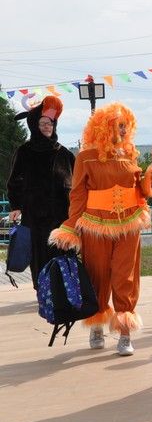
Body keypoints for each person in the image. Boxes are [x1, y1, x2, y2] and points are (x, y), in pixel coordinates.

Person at [49, 102, 152, 356]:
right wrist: (71, 226)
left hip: (129, 225)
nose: (123, 131)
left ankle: (124, 332)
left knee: (126, 277)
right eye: (119, 125)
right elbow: (77, 194)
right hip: (96, 225)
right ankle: (97, 325)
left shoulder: (129, 154)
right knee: (97, 275)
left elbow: (142, 191)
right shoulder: (85, 157)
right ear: (104, 127)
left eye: (126, 126)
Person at [6, 96, 75, 289]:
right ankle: (43, 290)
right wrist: (15, 205)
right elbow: (14, 180)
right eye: (42, 123)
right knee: (39, 253)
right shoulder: (25, 151)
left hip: (62, 214)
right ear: (34, 125)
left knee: (61, 251)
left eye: (50, 123)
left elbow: (78, 183)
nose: (46, 127)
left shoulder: (64, 153)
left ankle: (63, 290)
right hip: (34, 214)